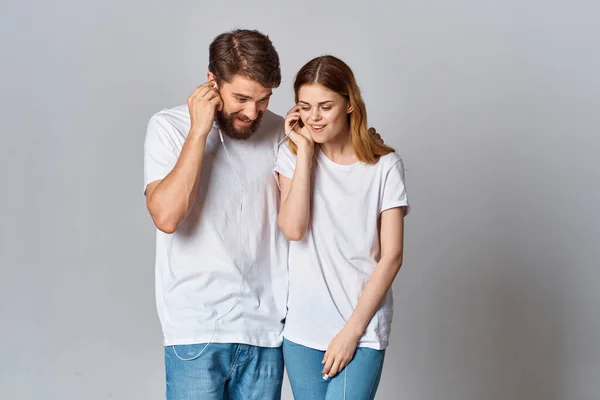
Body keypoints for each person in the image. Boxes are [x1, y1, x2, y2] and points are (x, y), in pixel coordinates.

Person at [143, 29, 289, 400]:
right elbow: (167, 217)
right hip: (196, 330)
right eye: (241, 97)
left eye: (263, 99)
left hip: (265, 331)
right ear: (212, 82)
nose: (252, 112)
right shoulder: (170, 127)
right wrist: (199, 131)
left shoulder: (280, 133)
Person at [274, 55, 410, 400]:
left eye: (325, 106)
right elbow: (293, 228)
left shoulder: (384, 166)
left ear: (349, 104)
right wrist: (305, 152)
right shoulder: (291, 156)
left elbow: (391, 256)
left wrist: (351, 333)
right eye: (304, 107)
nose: (314, 117)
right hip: (303, 331)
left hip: (360, 329)